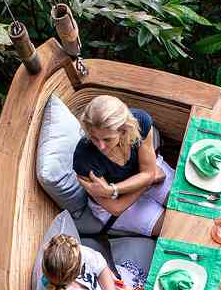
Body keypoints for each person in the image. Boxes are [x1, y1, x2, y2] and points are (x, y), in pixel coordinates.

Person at [71, 94, 174, 236]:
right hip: (117, 203)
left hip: (124, 185)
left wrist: (111, 189)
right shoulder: (83, 158)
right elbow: (116, 207)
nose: (100, 146)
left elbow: (147, 174)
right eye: (94, 137)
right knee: (172, 228)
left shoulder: (140, 122)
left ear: (124, 130)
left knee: (187, 203)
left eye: (107, 139)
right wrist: (147, 181)